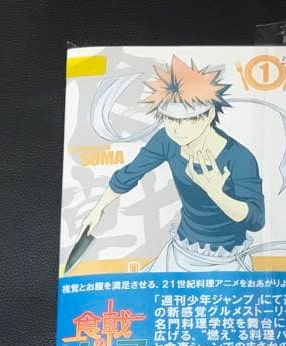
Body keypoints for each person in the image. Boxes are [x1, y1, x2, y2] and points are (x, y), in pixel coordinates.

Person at [79, 55, 265, 271]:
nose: (178, 129)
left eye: (188, 119)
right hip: (181, 249)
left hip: (228, 260)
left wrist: (216, 193)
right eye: (170, 119)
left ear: (208, 114)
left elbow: (256, 220)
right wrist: (98, 208)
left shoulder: (240, 158)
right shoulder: (167, 140)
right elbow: (129, 174)